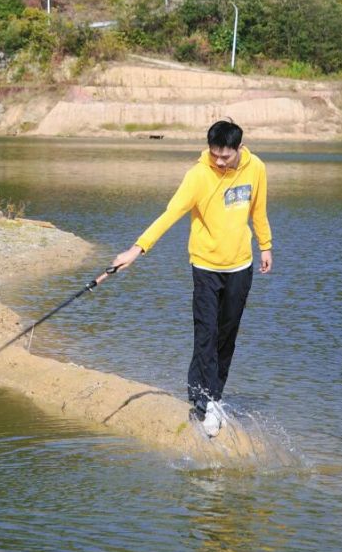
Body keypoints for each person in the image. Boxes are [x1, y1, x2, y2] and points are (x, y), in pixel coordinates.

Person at [111, 120, 272, 438]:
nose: (219, 161)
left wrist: (266, 245)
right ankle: (207, 403)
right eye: (215, 155)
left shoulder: (257, 169)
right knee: (206, 334)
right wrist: (137, 249)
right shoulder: (198, 175)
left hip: (241, 266)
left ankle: (213, 395)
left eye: (225, 156)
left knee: (226, 337)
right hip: (206, 266)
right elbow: (170, 213)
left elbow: (259, 212)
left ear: (239, 149)